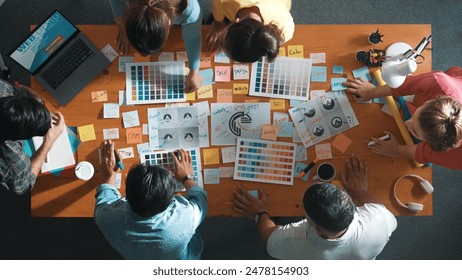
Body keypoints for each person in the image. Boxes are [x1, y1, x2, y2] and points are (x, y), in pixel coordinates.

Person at [231, 155, 397, 259]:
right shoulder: (379, 221)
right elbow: (378, 207)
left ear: (312, 225)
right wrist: (360, 191)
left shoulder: (293, 240)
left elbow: (268, 235)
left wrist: (260, 213)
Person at [94, 141, 208, 259]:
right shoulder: (186, 218)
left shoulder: (106, 217)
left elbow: (103, 200)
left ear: (126, 196)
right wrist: (187, 177)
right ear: (170, 201)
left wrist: (110, 176)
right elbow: (200, 201)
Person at [343, 67, 462, 170]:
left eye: (415, 131)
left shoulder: (457, 158)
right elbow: (404, 86)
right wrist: (371, 92)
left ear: (433, 145)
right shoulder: (438, 81)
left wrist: (395, 150)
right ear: (432, 100)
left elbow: (424, 153)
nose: (406, 123)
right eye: (416, 114)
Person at [108, 0, 204, 92]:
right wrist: (121, 22)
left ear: (170, 22)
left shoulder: (189, 8)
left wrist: (194, 70)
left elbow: (193, 38)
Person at [0, 80, 65, 195]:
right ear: (18, 138)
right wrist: (48, 143)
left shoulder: (3, 88)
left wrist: (37, 106)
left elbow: (21, 89)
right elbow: (25, 184)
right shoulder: (14, 165)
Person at [206, 0, 294, 63]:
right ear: (234, 21)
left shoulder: (284, 28)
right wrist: (218, 24)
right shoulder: (224, 1)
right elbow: (217, 7)